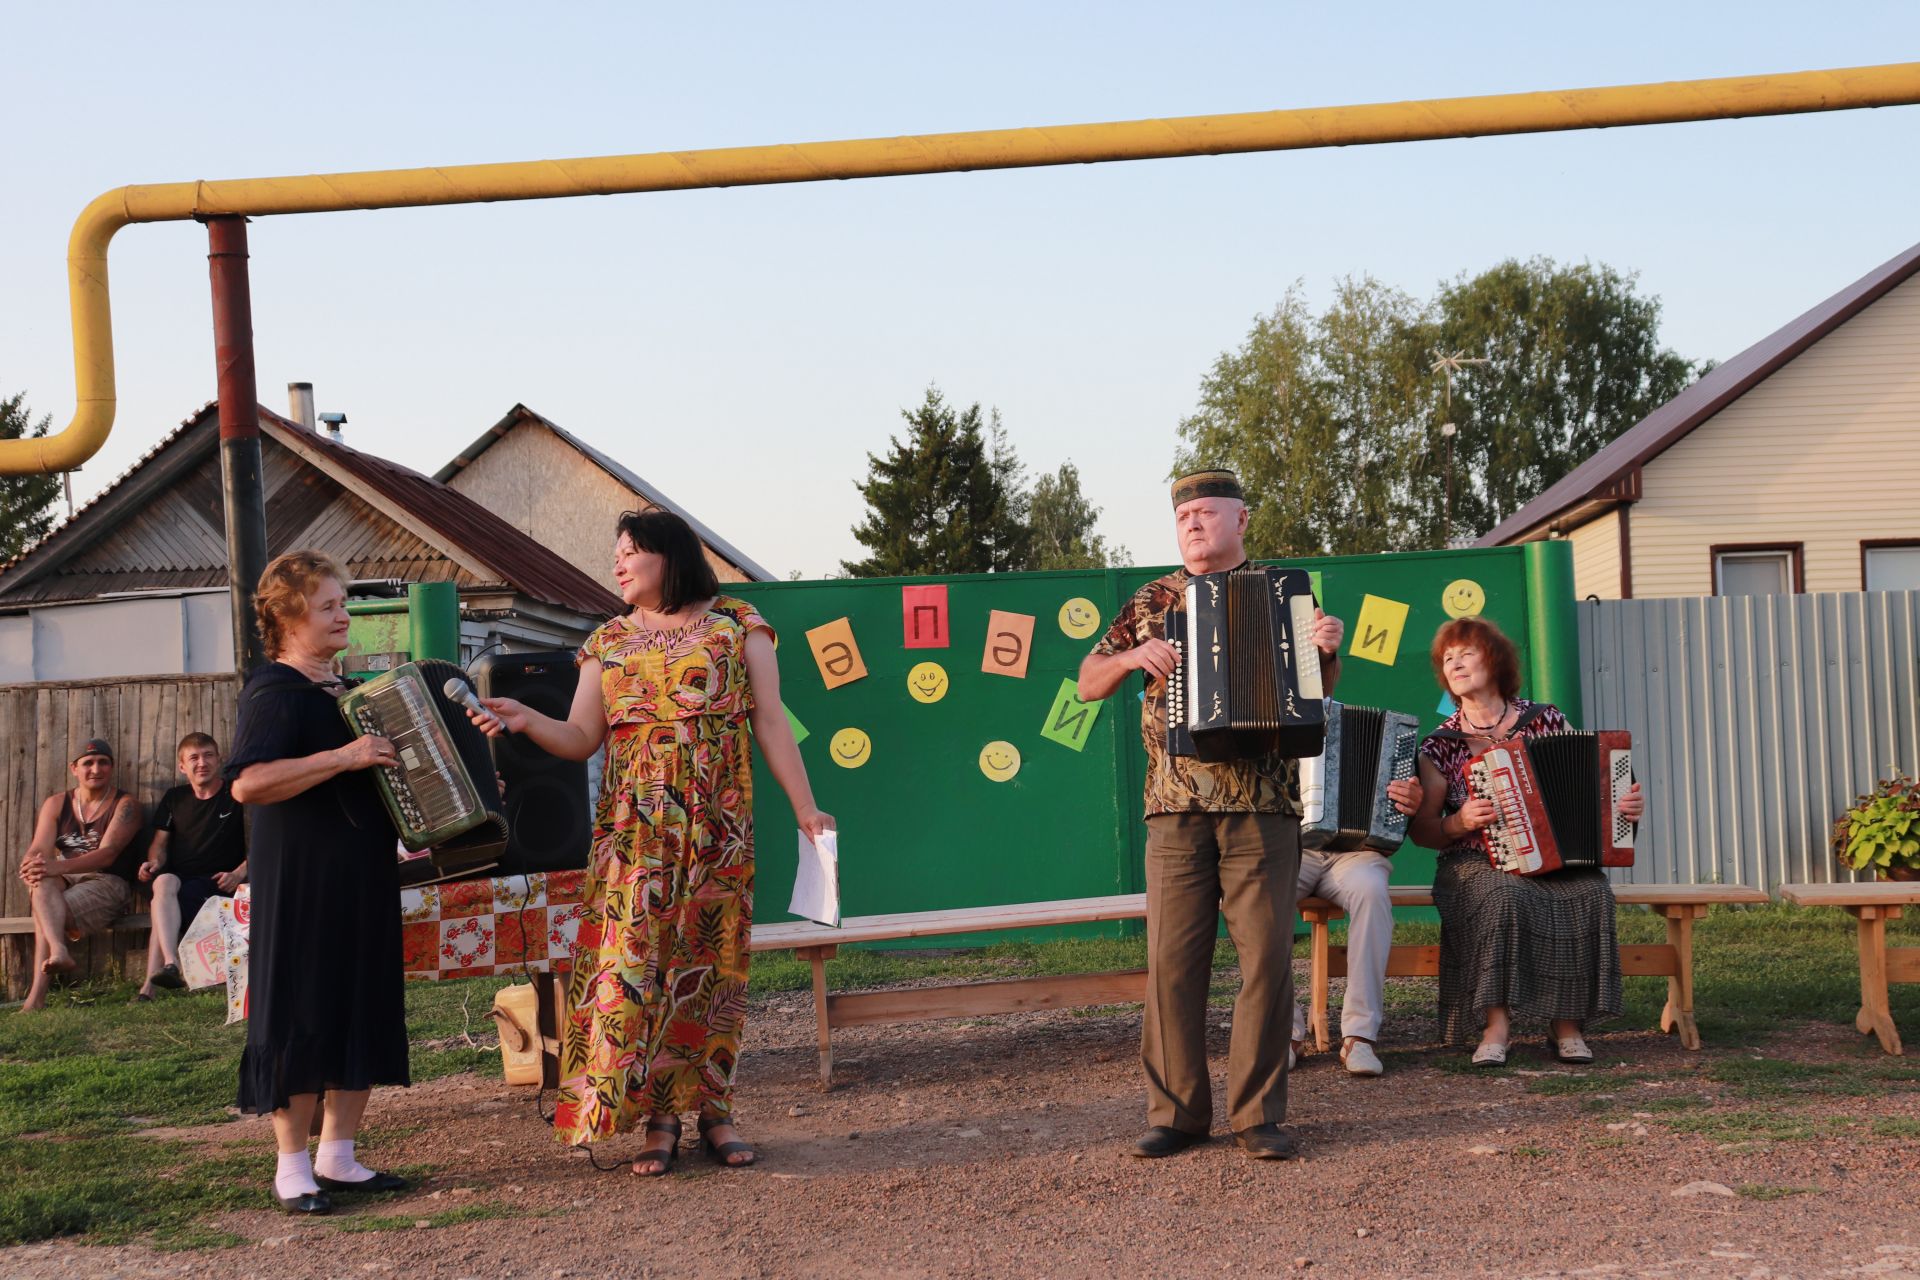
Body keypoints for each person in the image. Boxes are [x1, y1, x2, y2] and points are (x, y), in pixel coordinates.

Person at [473, 509, 833, 1176]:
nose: (618, 563)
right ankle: (658, 1118)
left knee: (712, 969)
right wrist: (526, 719)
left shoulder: (737, 626)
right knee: (637, 967)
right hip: (633, 837)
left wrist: (806, 809)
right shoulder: (605, 642)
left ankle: (714, 1113)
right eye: (616, 552)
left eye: (631, 551)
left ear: (669, 557)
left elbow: (772, 722)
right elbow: (581, 738)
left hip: (718, 830)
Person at [1077, 468, 1344, 1161]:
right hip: (1174, 810)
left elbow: (1311, 701)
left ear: (1241, 520)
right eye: (1183, 515)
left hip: (1263, 808)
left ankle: (1258, 1116)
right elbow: (1085, 681)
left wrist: (1327, 651)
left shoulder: (1288, 593)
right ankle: (1176, 1114)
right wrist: (1134, 653)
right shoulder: (1152, 599)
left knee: (1266, 962)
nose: (1192, 523)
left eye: (1205, 512)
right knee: (1172, 963)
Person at [226, 551, 410, 1214]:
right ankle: (291, 1168)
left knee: (359, 995)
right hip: (302, 877)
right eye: (330, 605)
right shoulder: (273, 691)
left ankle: (339, 1157)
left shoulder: (347, 690)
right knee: (300, 1004)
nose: (345, 615)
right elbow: (248, 782)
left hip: (361, 870)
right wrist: (344, 756)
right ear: (290, 615)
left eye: (343, 603)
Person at [1406, 617, 1645, 1066]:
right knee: (1502, 896)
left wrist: (1625, 806)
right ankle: (1496, 1025)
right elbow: (1423, 831)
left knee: (1589, 891)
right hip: (1474, 861)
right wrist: (1459, 822)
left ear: (1494, 661)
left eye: (1466, 653)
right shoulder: (1439, 745)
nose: (1454, 663)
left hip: (1554, 857)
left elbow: (1596, 785)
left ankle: (1567, 1024)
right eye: (1447, 658)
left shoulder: (1545, 719)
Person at [1288, 785, 1421, 1076]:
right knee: (1261, 896)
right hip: (1290, 844)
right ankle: (1285, 1034)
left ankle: (1359, 1036)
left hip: (1358, 851)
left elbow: (1412, 806)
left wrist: (1408, 805)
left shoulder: (1403, 742)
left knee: (1371, 891)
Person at [16, 740, 144, 1012]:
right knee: (40, 883)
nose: (96, 768)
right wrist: (32, 863)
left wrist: (54, 867)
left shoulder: (126, 805)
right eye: (88, 763)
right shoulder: (57, 803)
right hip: (65, 879)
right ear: (74, 768)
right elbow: (39, 847)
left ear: (112, 767)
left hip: (107, 880)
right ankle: (59, 953)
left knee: (45, 909)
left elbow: (107, 854)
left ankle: (36, 996)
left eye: (103, 762)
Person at [137, 732, 247, 1000]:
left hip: (224, 886)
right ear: (182, 766)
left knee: (161, 907)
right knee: (162, 884)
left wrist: (238, 873)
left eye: (208, 755)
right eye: (194, 758)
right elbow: (160, 844)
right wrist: (153, 863)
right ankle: (171, 963)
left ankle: (148, 988)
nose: (202, 763)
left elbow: (265, 841)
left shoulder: (237, 793)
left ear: (219, 759)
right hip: (183, 885)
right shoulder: (175, 798)